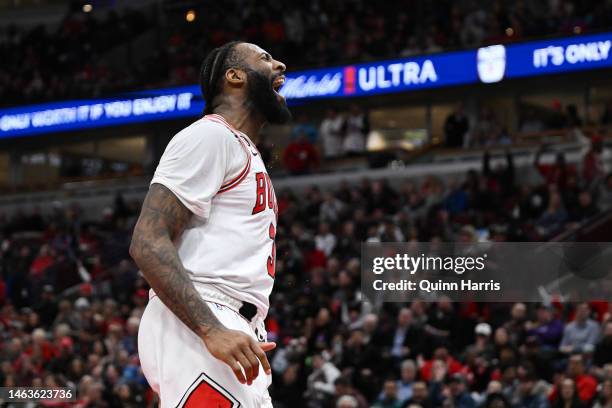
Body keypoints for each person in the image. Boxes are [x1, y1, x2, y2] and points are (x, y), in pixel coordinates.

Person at [130, 41, 291, 407]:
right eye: (265, 59)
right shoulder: (209, 136)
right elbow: (147, 241)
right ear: (235, 77)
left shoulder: (241, 148)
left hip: (233, 325)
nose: (280, 65)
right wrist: (211, 330)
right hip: (204, 317)